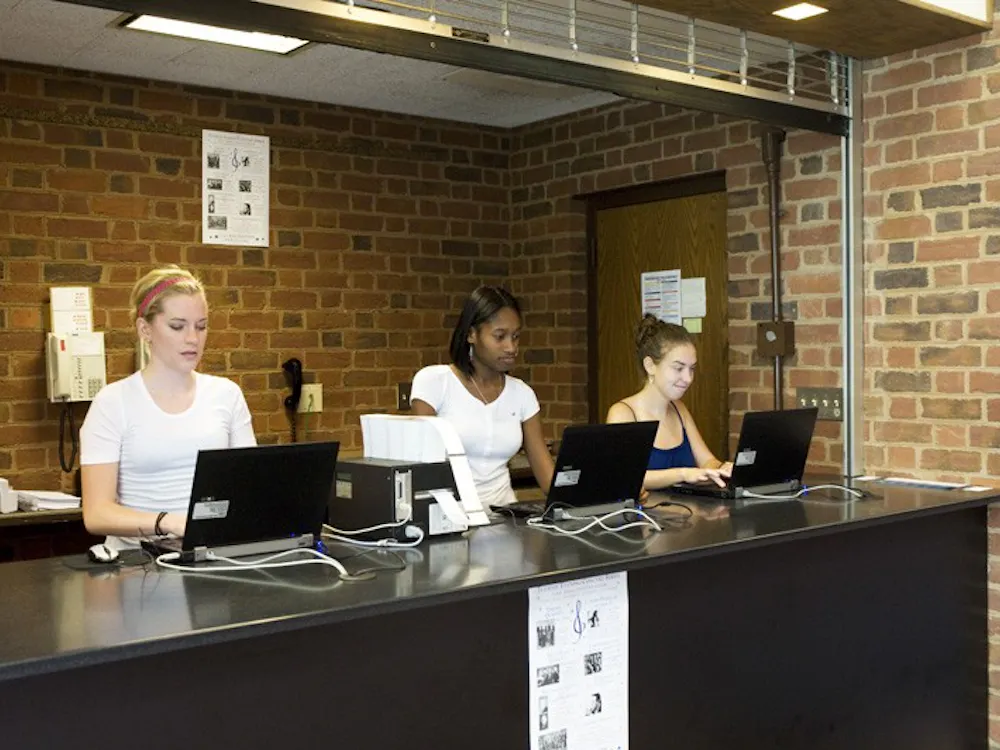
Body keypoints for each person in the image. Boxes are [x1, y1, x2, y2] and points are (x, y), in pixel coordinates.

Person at [80, 265, 256, 548]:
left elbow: (249, 487)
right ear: (144, 329)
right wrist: (169, 522)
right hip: (137, 564)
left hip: (209, 558)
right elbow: (97, 513)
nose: (192, 339)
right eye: (177, 326)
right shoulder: (112, 403)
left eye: (201, 326)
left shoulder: (227, 394)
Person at [410, 286, 554, 507]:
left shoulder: (522, 394)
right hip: (451, 519)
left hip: (506, 518)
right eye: (500, 336)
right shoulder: (434, 383)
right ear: (471, 334)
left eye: (515, 337)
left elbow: (546, 474)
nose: (511, 347)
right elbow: (425, 467)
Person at [606, 314, 731, 491]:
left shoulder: (679, 409)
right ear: (650, 366)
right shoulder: (622, 413)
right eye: (678, 368)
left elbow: (707, 460)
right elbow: (626, 475)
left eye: (692, 369)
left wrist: (722, 468)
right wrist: (683, 474)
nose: (687, 378)